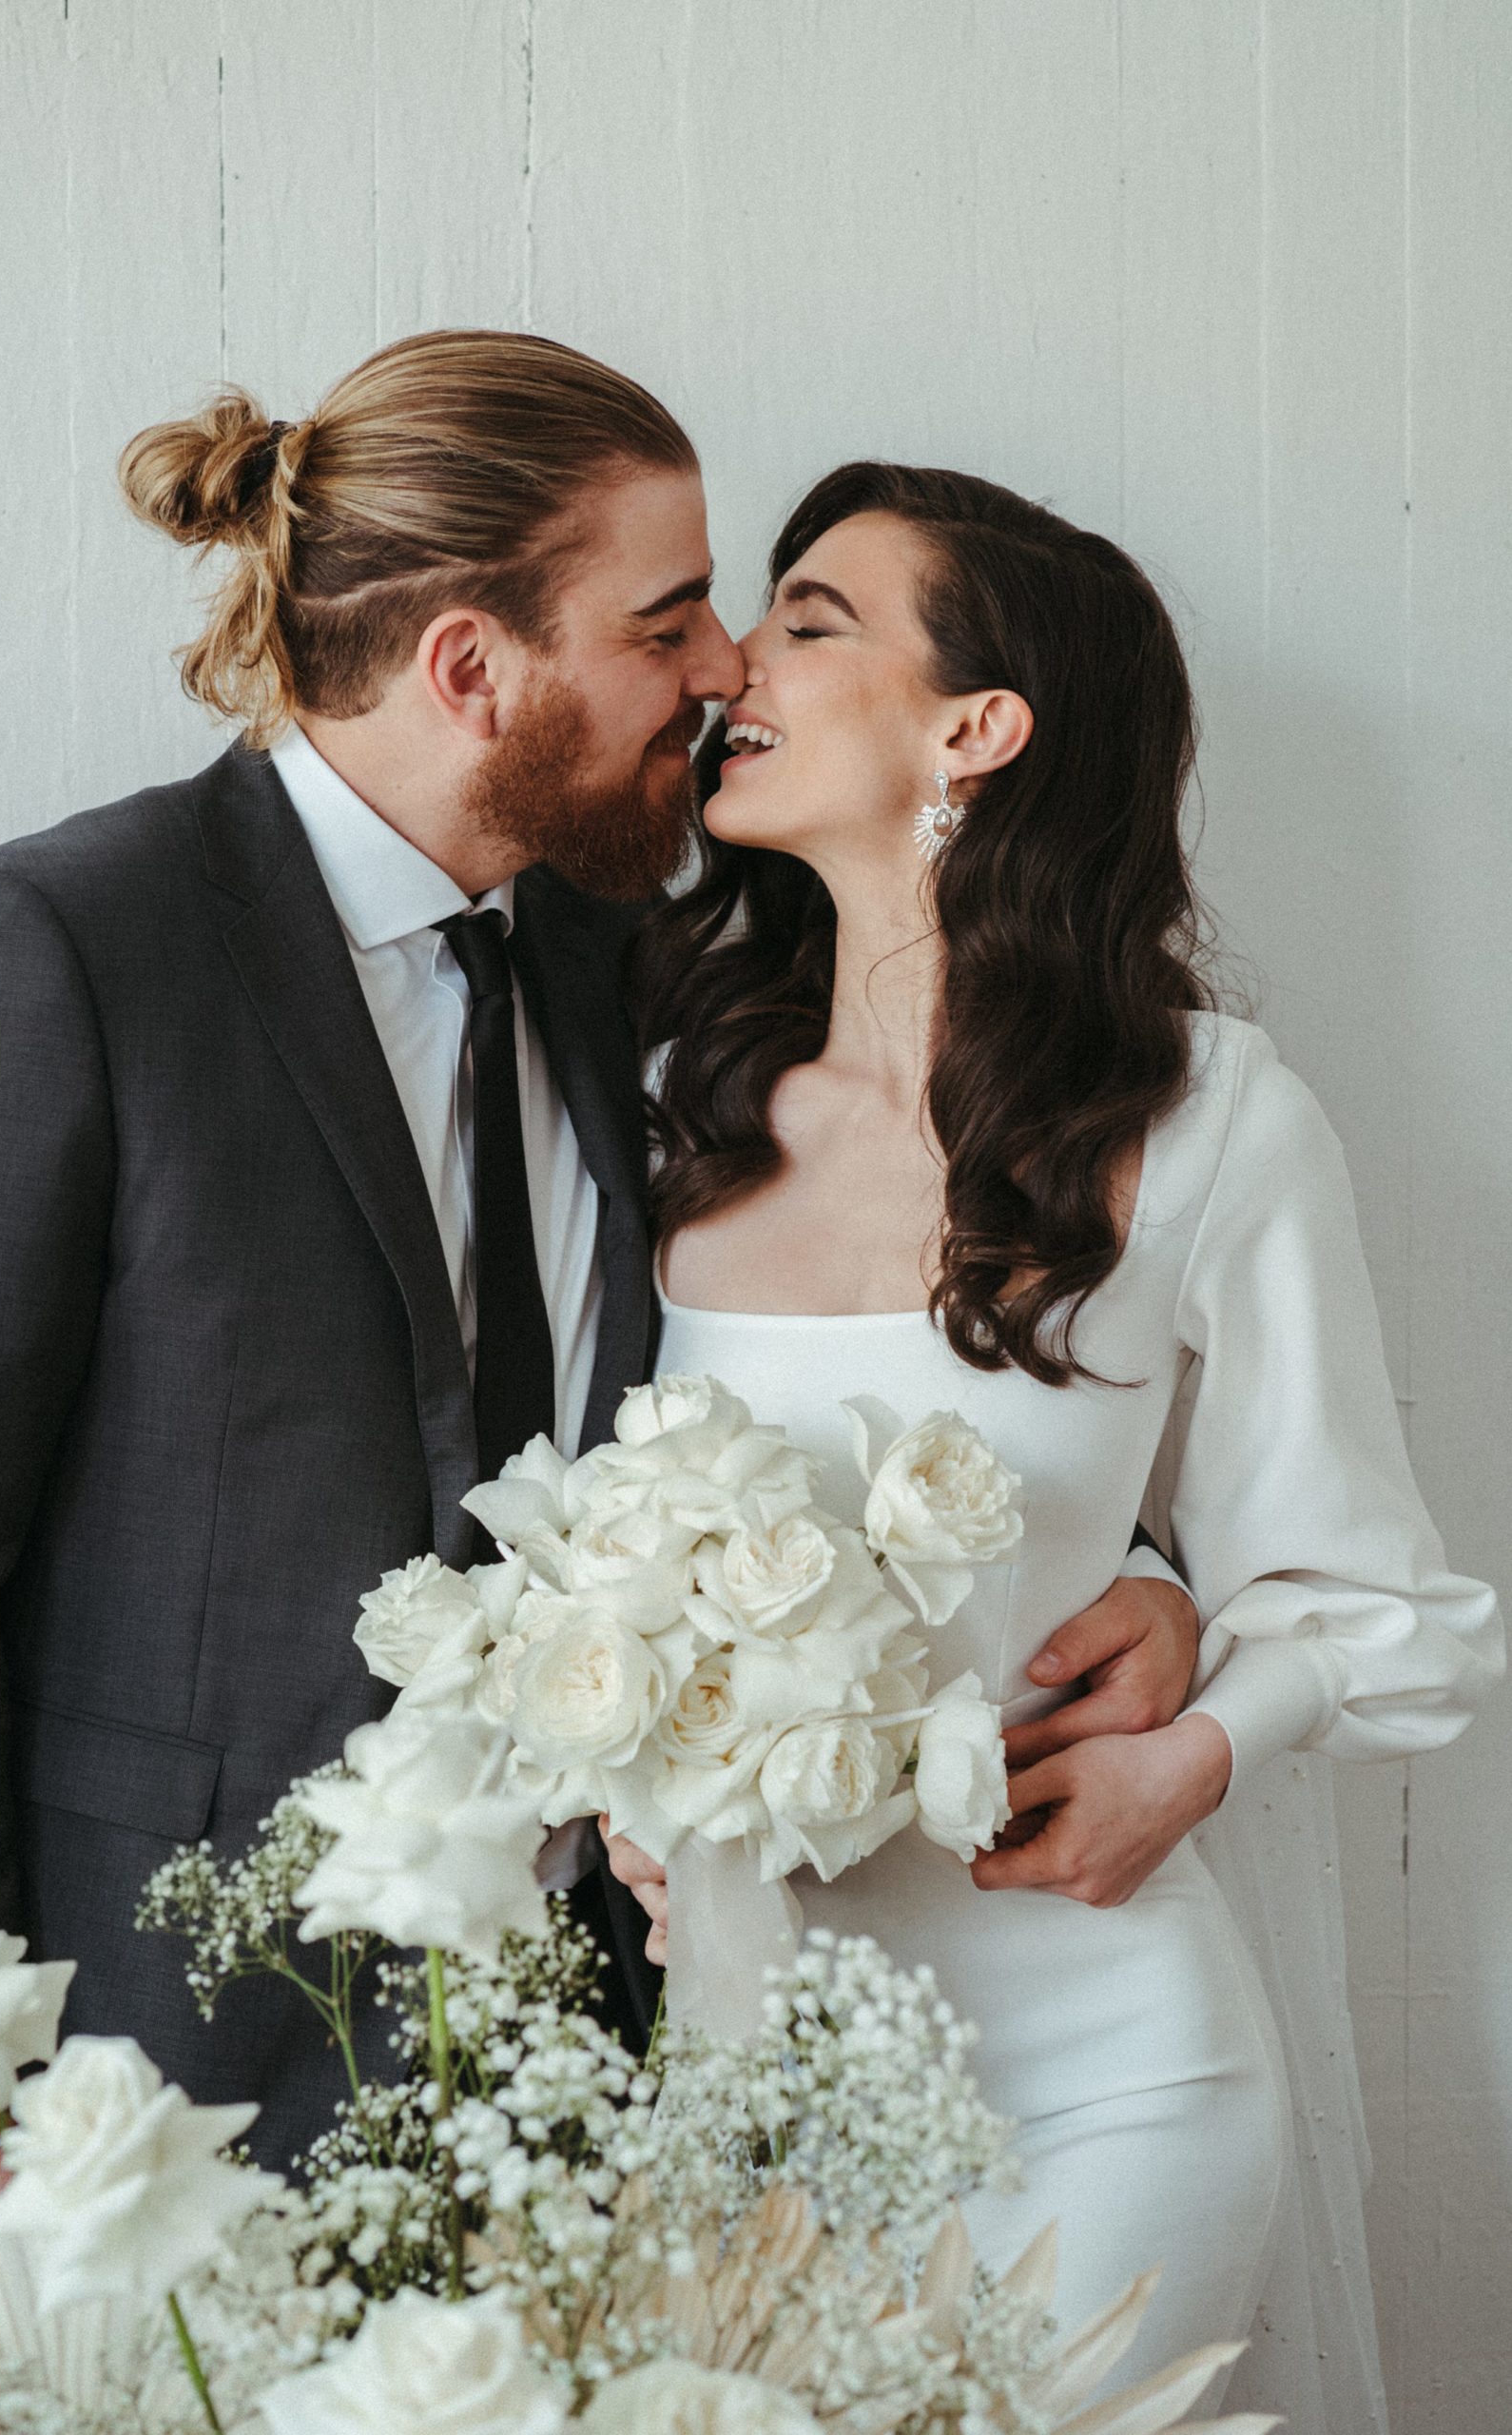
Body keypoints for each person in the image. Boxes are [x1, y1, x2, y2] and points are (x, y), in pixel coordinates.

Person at [0, 340, 1197, 2180]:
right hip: (141, 2078)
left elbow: (835, 1334)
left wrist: (1134, 1570)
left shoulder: (637, 968)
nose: (722, 670)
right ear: (471, 667)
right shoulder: (59, 952)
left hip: (589, 2063)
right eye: (668, 620)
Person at [606, 462, 1502, 2423]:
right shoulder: (671, 1087)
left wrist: (1193, 1753)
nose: (739, 659)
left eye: (814, 616)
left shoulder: (1207, 1122)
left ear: (980, 725)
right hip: (744, 2054)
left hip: (1107, 2055)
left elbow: (1385, 1604)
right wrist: (615, 1775)